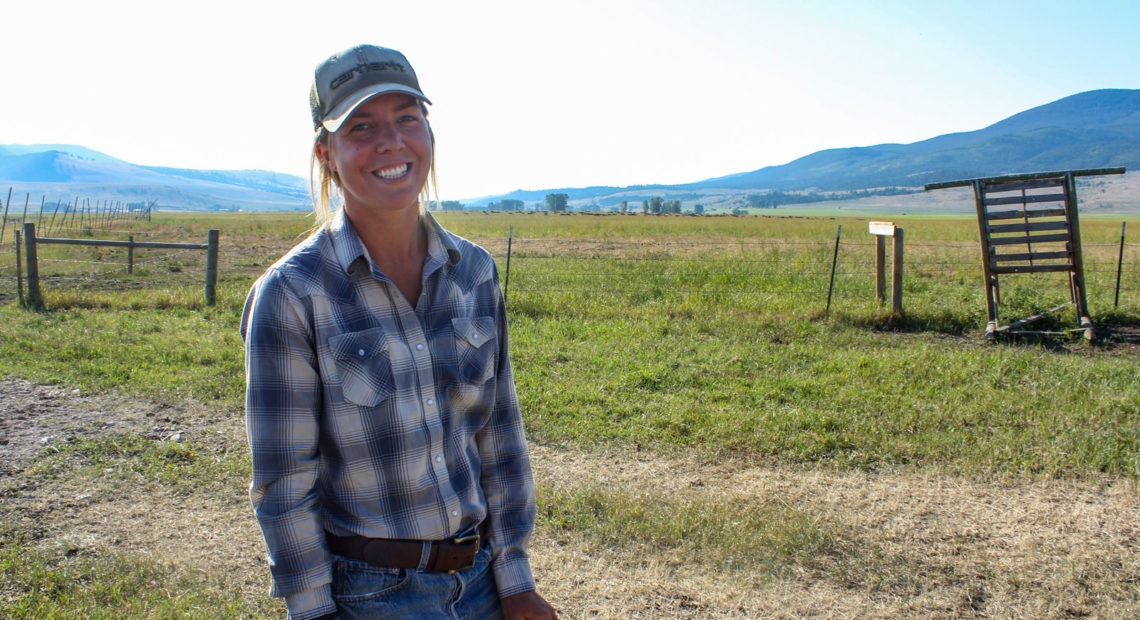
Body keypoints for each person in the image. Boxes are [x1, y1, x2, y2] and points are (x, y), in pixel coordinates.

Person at [241, 44, 557, 620]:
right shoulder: (292, 294)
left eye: (407, 119)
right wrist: (313, 611)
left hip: (481, 578)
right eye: (361, 127)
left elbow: (499, 438)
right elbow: (285, 482)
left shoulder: (476, 273)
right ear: (327, 153)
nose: (390, 142)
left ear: (429, 134)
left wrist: (514, 577)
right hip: (371, 595)